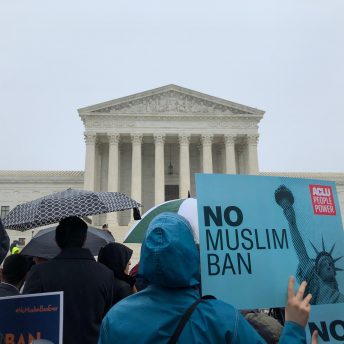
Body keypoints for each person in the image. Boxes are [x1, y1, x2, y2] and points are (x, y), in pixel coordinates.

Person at [98, 212, 313, 344]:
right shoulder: (223, 319)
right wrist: (293, 327)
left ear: (145, 254)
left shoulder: (115, 319)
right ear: (191, 253)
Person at [23, 216, 114, 344]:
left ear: (56, 240)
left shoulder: (40, 272)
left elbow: (25, 316)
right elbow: (105, 316)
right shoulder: (106, 274)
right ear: (85, 239)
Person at [275, 185, 344, 304]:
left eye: (330, 263)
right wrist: (289, 214)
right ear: (317, 272)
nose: (329, 266)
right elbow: (301, 252)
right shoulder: (317, 286)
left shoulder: (340, 296)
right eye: (323, 264)